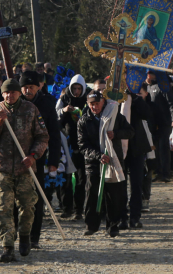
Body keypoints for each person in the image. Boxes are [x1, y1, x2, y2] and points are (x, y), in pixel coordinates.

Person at [0, 79, 49, 263]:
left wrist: (33, 155)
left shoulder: (31, 110)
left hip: (25, 169)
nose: (9, 96)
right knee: (3, 208)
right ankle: (7, 247)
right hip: (2, 169)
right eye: (6, 93)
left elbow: (43, 137)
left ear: (19, 93)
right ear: (2, 94)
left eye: (13, 92)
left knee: (27, 207)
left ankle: (25, 236)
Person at [78, 90, 134, 237]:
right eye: (91, 104)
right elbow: (83, 145)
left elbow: (129, 132)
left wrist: (115, 134)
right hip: (94, 164)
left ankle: (113, 225)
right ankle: (91, 225)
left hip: (112, 161)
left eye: (97, 103)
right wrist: (98, 156)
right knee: (92, 195)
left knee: (114, 196)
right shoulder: (84, 121)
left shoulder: (114, 117)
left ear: (103, 102)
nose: (94, 107)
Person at [20, 70, 61, 249]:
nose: (28, 91)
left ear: (39, 87)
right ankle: (18, 234)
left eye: (31, 87)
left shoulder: (47, 104)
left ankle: (34, 237)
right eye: (25, 87)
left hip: (38, 158)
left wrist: (54, 160)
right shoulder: (14, 103)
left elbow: (54, 134)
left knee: (36, 199)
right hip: (16, 159)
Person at [55, 74, 91, 219]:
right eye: (74, 88)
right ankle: (66, 208)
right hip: (67, 144)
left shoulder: (88, 98)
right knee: (66, 179)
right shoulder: (64, 98)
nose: (76, 91)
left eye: (79, 88)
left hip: (83, 145)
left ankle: (78, 210)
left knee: (82, 179)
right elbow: (55, 116)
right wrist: (64, 111)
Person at [120, 84, 153, 229]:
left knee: (136, 183)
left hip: (137, 146)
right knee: (120, 184)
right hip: (119, 146)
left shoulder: (137, 98)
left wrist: (134, 97)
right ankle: (121, 217)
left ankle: (135, 217)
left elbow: (147, 114)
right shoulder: (115, 96)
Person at [146, 71, 173, 182]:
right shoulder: (147, 88)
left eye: (148, 74)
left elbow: (172, 103)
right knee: (156, 149)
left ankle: (166, 173)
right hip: (153, 123)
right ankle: (158, 172)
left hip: (165, 122)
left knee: (163, 148)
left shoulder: (163, 86)